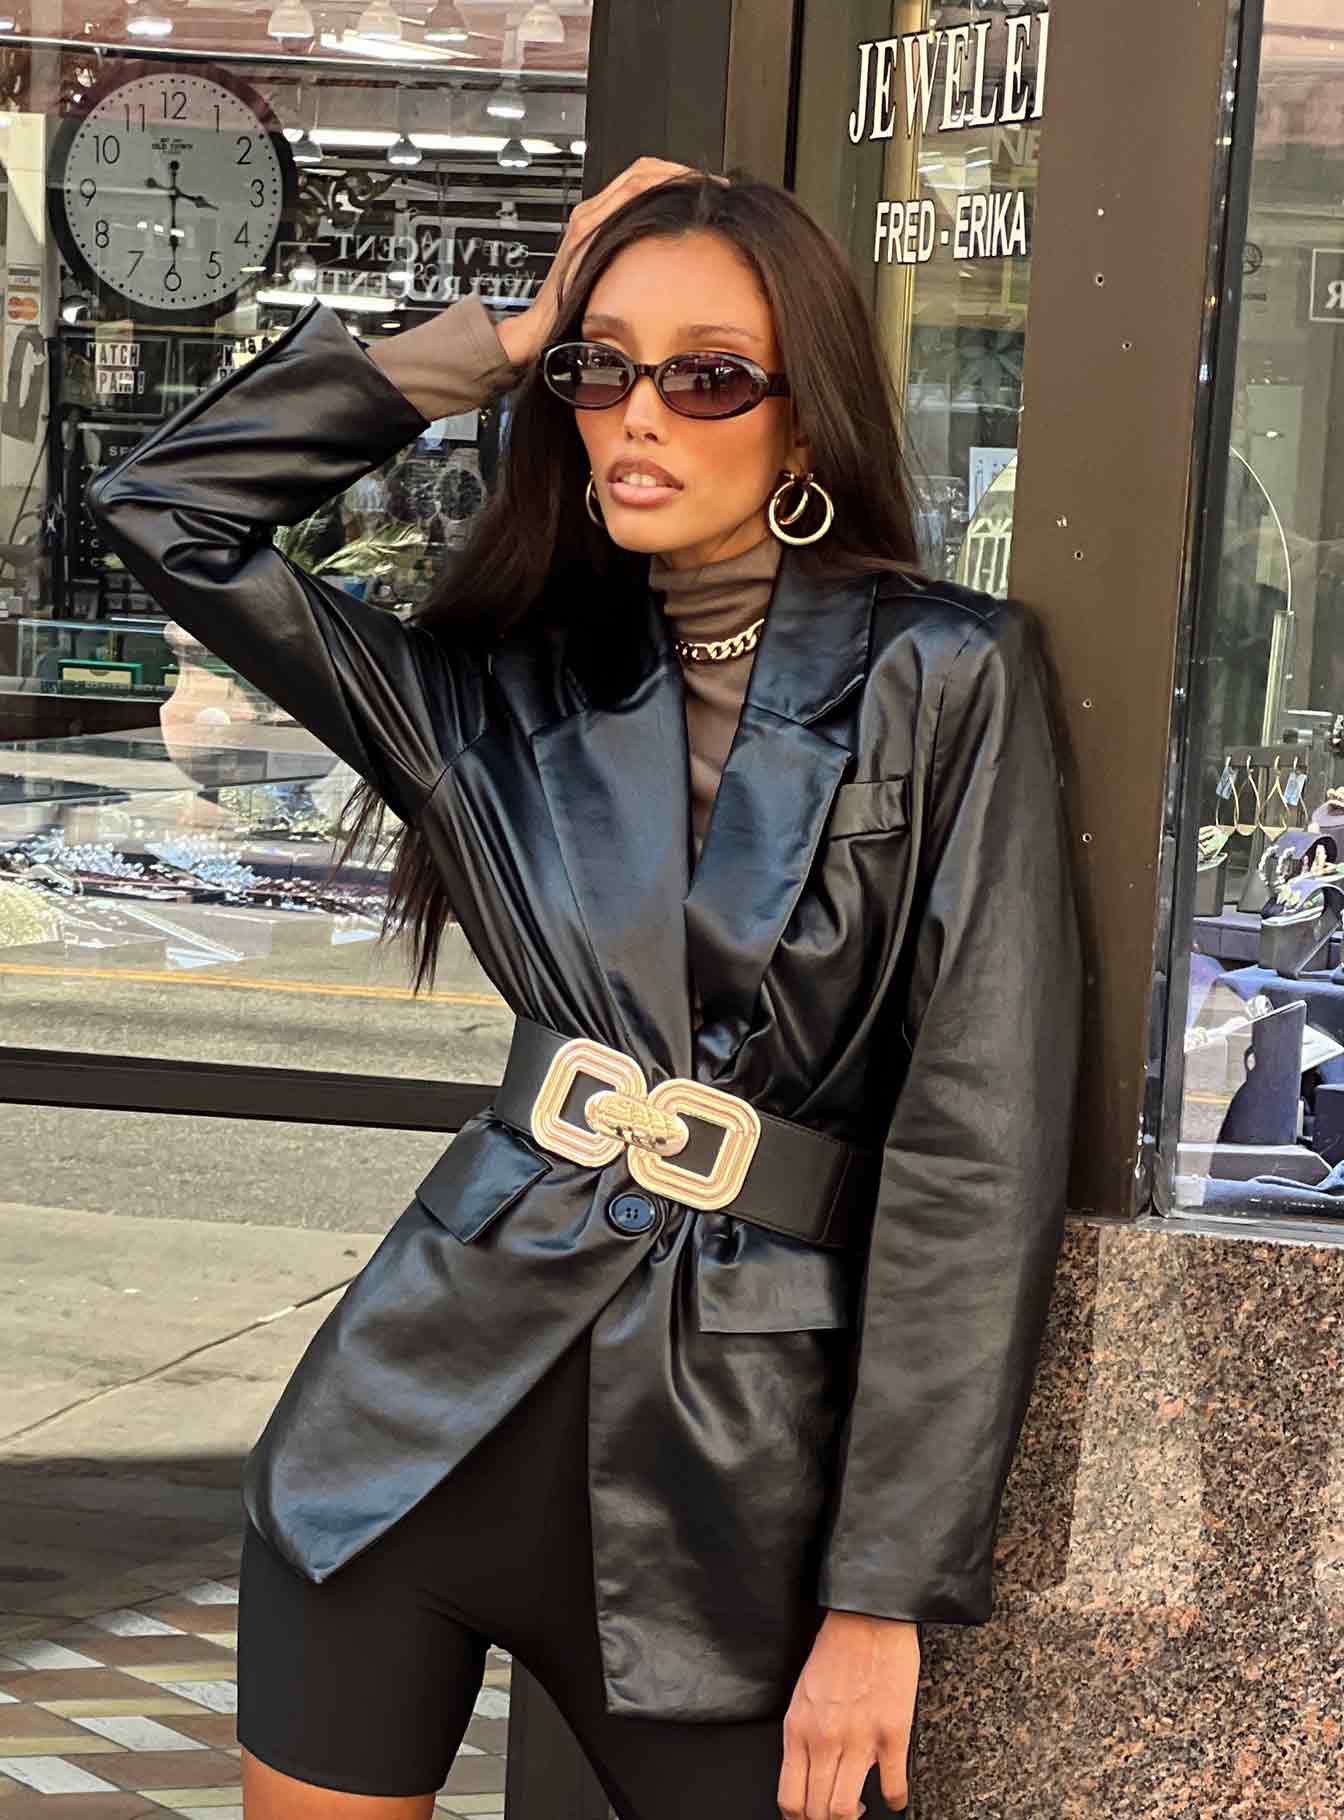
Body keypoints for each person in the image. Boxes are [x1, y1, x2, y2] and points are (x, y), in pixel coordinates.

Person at [87, 157, 1083, 1820]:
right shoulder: (497, 695)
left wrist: (883, 1598)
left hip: (732, 1494)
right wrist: (504, 334)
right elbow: (166, 510)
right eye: (601, 369)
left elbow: (977, 1159)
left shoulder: (945, 673)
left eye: (710, 377)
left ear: (807, 424)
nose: (640, 415)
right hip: (399, 1442)